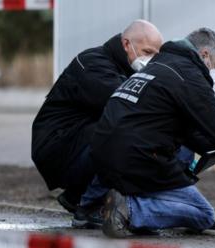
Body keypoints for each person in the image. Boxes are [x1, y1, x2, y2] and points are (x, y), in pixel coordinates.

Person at [90, 28, 215, 238]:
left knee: (176, 164)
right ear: (205, 54)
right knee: (203, 215)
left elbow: (187, 131)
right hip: (139, 159)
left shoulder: (158, 66)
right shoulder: (188, 75)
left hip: (104, 156)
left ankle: (112, 202)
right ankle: (131, 210)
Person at [31, 20, 163, 216]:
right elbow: (126, 104)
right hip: (58, 146)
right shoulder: (93, 63)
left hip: (79, 139)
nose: (150, 60)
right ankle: (87, 202)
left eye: (155, 55)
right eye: (147, 52)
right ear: (127, 44)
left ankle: (79, 195)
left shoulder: (126, 68)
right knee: (123, 133)